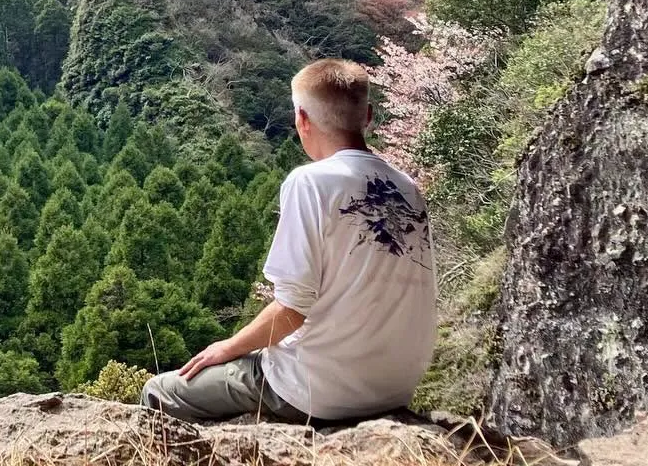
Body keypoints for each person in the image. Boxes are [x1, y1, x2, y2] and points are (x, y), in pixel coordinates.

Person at [140, 58, 436, 425]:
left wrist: (227, 348)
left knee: (159, 390)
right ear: (369, 116)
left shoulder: (310, 182)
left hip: (319, 390)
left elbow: (293, 308)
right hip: (395, 387)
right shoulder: (409, 188)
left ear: (302, 119)